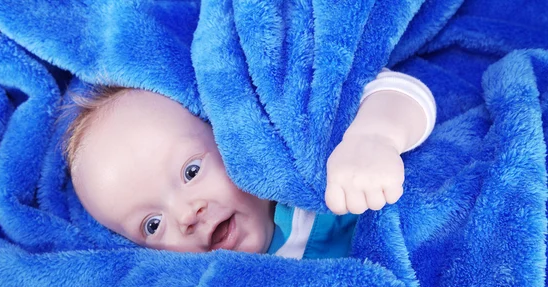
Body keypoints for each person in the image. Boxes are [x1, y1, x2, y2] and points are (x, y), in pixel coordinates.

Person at [65, 69, 436, 259]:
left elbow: (400, 91)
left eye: (191, 172)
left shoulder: (307, 161)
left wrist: (373, 137)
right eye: (152, 224)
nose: (186, 216)